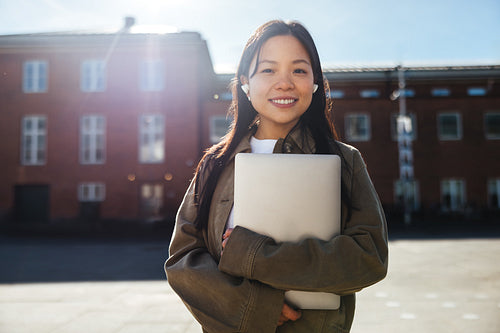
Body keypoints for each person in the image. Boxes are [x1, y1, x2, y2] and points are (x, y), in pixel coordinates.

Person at [165, 20, 388, 333]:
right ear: (245, 81)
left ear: (315, 82)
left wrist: (255, 255)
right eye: (268, 70)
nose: (284, 83)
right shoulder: (215, 163)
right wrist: (257, 308)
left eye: (299, 70)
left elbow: (369, 257)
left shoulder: (345, 161)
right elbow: (183, 260)